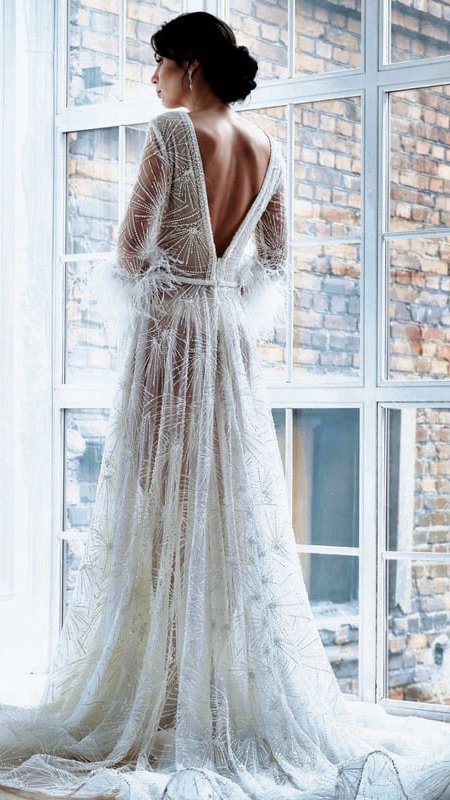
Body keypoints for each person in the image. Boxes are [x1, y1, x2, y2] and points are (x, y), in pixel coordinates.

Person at [1, 10, 450, 800]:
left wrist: (173, 283)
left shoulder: (171, 136)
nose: (152, 79)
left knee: (160, 513)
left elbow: (129, 248)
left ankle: (169, 691)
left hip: (172, 341)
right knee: (223, 515)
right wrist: (218, 287)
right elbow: (273, 263)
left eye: (159, 64)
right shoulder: (271, 150)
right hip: (226, 353)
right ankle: (203, 686)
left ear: (191, 67)